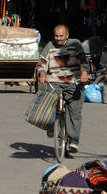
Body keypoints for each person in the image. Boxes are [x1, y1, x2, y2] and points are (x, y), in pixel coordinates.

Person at [36, 24, 90, 156]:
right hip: (54, 82)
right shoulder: (49, 46)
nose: (58, 38)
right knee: (47, 105)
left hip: (73, 83)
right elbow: (41, 62)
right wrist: (42, 73)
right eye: (56, 35)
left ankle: (73, 141)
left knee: (75, 113)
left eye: (61, 36)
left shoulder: (75, 44)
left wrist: (84, 72)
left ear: (67, 35)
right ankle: (50, 126)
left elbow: (83, 60)